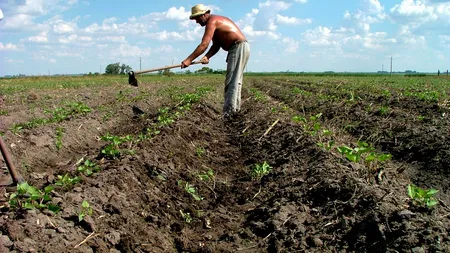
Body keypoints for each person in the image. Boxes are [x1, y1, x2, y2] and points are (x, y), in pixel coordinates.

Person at [181, 4, 250, 120]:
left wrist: (188, 60)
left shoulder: (212, 21)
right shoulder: (215, 21)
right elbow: (216, 45)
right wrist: (207, 56)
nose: (197, 22)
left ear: (204, 14)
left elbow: (204, 44)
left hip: (238, 47)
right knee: (234, 81)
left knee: (232, 81)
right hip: (239, 47)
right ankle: (234, 112)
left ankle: (229, 115)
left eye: (197, 18)